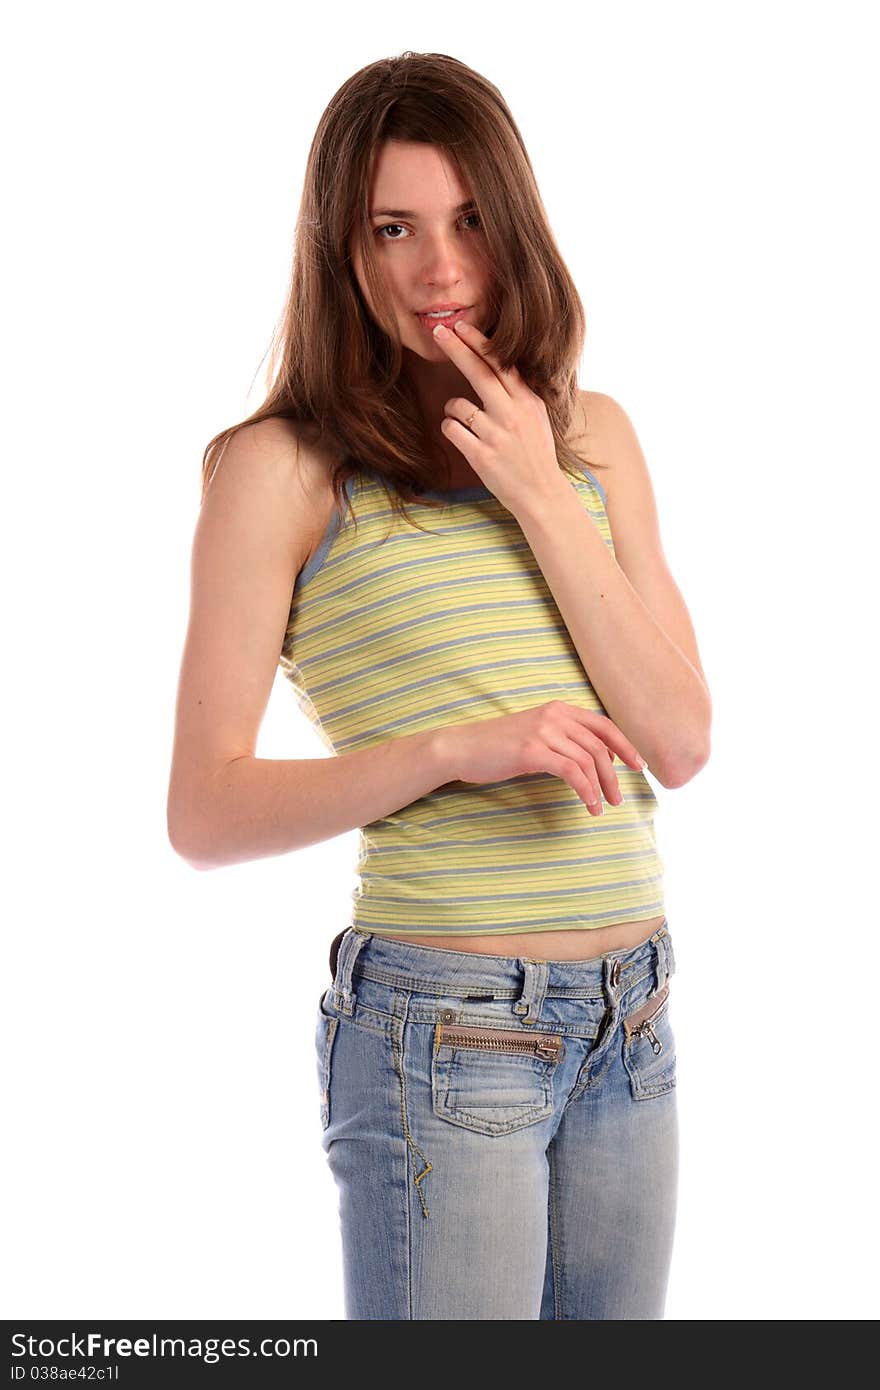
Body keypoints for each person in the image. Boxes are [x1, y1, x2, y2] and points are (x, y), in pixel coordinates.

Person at [167, 51, 712, 1320]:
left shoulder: (593, 439)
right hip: (440, 1035)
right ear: (342, 252)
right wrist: (451, 748)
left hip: (632, 1025)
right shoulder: (281, 470)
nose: (440, 269)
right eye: (393, 228)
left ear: (513, 224)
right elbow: (203, 810)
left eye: (468, 220)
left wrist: (535, 487)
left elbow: (678, 738)